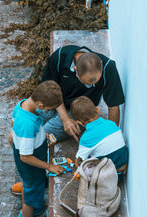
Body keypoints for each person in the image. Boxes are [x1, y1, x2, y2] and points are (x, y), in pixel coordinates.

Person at [11, 45, 125, 194]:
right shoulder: (59, 57)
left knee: (38, 138)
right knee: (25, 129)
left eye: (94, 82)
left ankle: (33, 183)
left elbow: (113, 106)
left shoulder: (109, 67)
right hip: (52, 104)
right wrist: (64, 119)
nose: (91, 86)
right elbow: (47, 88)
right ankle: (29, 180)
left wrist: (109, 135)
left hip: (76, 112)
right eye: (87, 83)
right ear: (75, 69)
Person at [11, 80, 65, 217]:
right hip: (30, 163)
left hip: (32, 155)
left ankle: (32, 207)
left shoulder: (22, 105)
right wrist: (49, 166)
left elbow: (12, 134)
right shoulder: (28, 124)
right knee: (32, 191)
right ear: (41, 105)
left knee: (32, 188)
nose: (48, 112)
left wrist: (43, 138)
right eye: (49, 109)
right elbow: (26, 156)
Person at [71, 96, 128, 179]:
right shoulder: (111, 124)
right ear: (97, 109)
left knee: (85, 168)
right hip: (123, 169)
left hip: (109, 176)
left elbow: (78, 161)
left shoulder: (86, 138)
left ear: (79, 122)